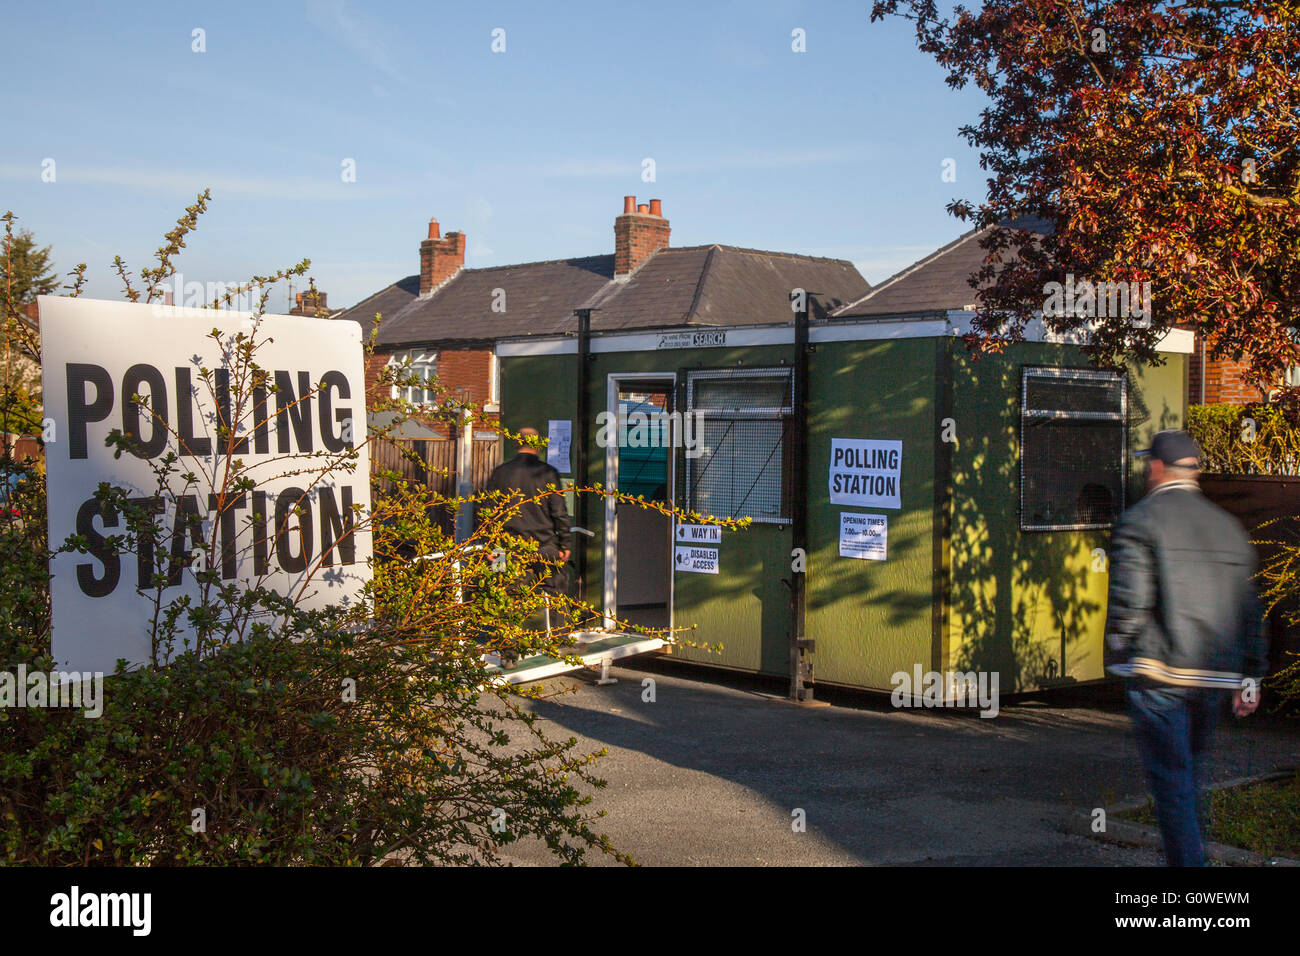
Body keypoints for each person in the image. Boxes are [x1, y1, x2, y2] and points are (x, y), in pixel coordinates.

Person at [1104, 429, 1267, 866]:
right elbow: (1250, 608)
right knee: (1191, 778)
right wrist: (1251, 675)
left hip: (1161, 674)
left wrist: (1119, 652)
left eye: (1147, 464)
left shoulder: (1141, 520)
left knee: (1172, 782)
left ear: (1158, 468)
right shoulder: (1228, 526)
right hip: (1214, 675)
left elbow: (1129, 603)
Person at [481, 426, 572, 632]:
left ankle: (508, 649)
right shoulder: (548, 473)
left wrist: (489, 546)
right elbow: (559, 511)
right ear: (538, 445)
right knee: (557, 589)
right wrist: (565, 543)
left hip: (505, 547)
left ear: (516, 443)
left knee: (506, 594)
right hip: (544, 544)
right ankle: (561, 639)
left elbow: (488, 512)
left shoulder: (500, 473)